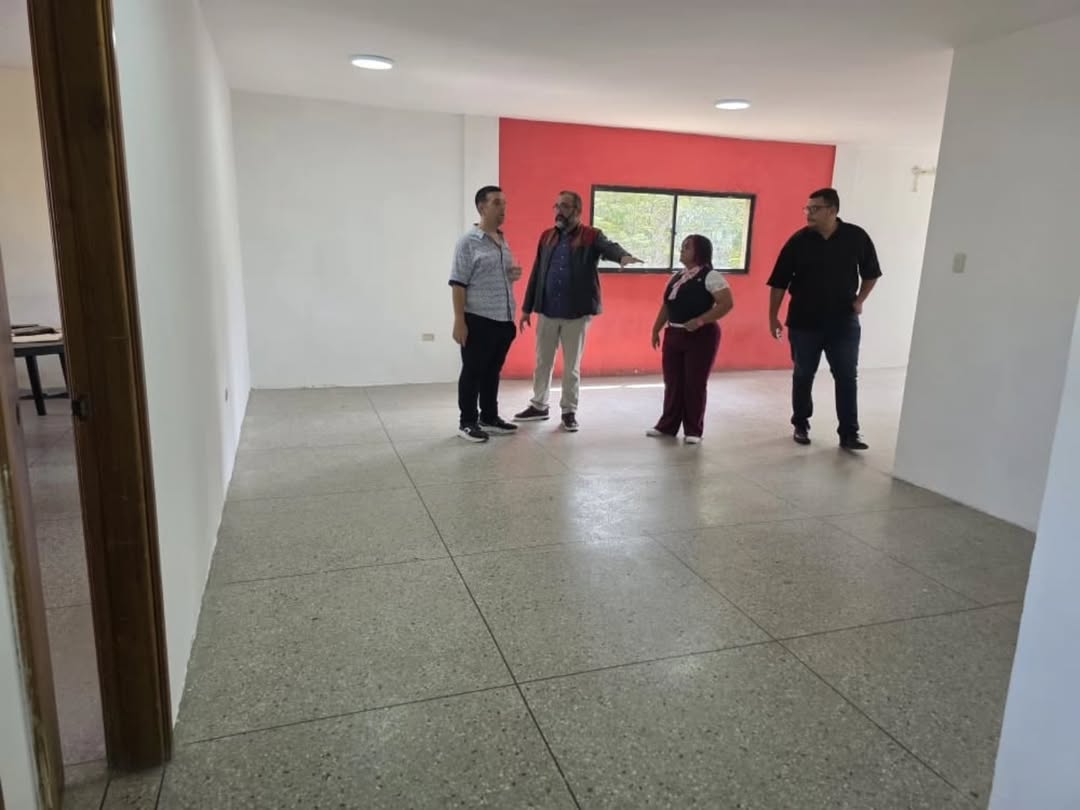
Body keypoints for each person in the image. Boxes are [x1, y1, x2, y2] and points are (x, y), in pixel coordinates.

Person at [513, 190, 642, 432]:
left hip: (576, 314)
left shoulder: (591, 235)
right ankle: (539, 405)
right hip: (547, 311)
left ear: (577, 211)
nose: (558, 211)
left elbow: (609, 247)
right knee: (542, 362)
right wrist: (526, 308)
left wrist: (623, 256)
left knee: (571, 366)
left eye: (564, 206)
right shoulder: (547, 237)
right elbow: (537, 272)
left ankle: (569, 411)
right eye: (557, 206)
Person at [767, 187, 881, 450]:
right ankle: (801, 424)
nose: (808, 213)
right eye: (807, 208)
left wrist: (860, 300)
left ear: (832, 210)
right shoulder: (798, 241)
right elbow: (779, 283)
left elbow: (872, 273)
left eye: (814, 209)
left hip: (843, 323)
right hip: (804, 322)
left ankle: (849, 433)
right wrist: (773, 316)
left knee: (846, 376)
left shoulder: (856, 237)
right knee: (803, 374)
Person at [449, 185, 523, 443]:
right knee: (473, 372)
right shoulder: (468, 242)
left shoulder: (502, 240)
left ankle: (489, 417)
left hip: (504, 319)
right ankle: (467, 422)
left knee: (492, 371)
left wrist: (511, 275)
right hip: (478, 319)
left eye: (505, 203)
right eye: (496, 203)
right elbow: (458, 284)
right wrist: (459, 321)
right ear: (482, 207)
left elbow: (494, 276)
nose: (503, 208)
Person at [647, 235, 734, 444]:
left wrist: (701, 320)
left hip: (701, 336)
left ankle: (693, 430)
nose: (682, 250)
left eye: (687, 247)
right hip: (674, 334)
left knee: (694, 383)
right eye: (682, 246)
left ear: (699, 252)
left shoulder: (711, 276)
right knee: (672, 382)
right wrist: (656, 329)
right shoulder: (677, 277)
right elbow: (667, 305)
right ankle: (667, 425)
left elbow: (726, 303)